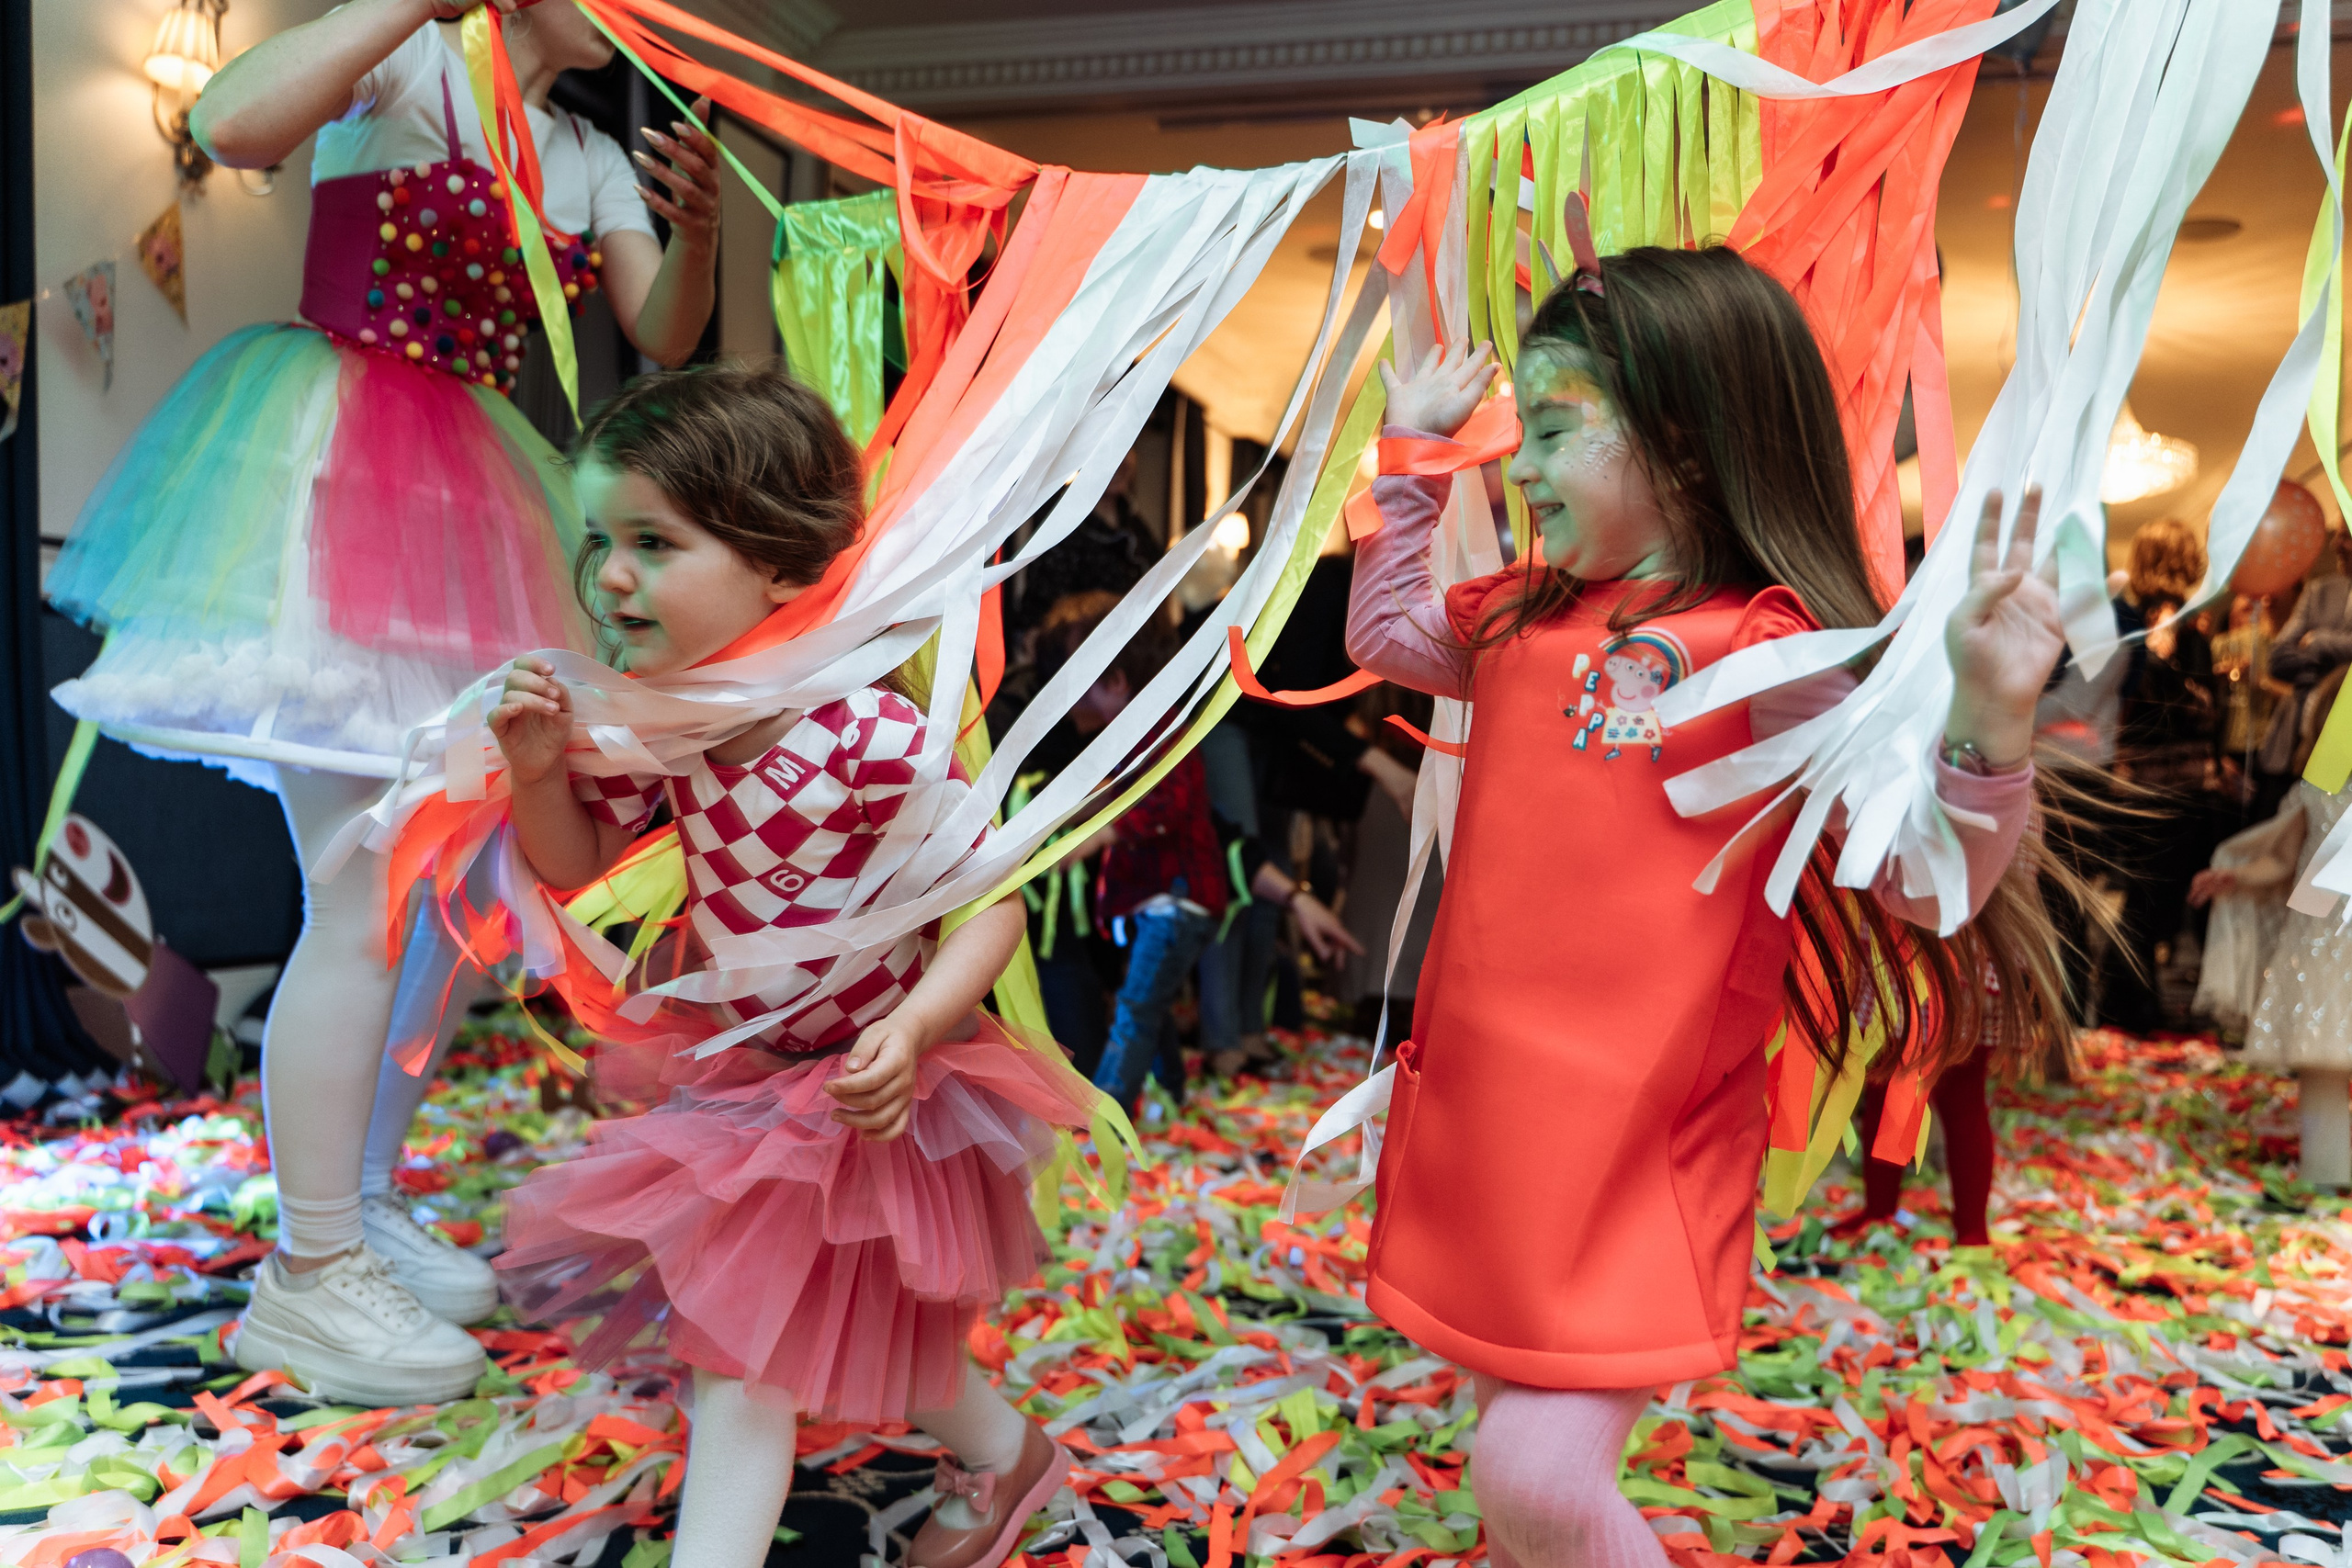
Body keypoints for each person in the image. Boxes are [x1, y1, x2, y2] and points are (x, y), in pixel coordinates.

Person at [40, 0, 724, 1400]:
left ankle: (356, 1203)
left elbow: (663, 323)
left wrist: (700, 229)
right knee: (361, 898)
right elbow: (230, 122)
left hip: (473, 506)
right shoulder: (409, 63)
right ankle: (309, 1273)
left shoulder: (583, 154)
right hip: (333, 480)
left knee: (462, 904)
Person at [1344, 248, 2062, 1567]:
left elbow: (1917, 875)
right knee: (1517, 1473)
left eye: (1553, 431)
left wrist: (1990, 725)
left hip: (1636, 1153)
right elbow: (1385, 631)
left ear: (1681, 442)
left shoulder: (1763, 652)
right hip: (1492, 1129)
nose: (1525, 468)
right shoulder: (1514, 618)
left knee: (1534, 1472)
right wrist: (1411, 452)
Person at [481, 367, 1091, 1568]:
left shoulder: (868, 735)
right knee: (812, 1345)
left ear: (779, 565)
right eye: (603, 539)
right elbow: (585, 868)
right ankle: (1014, 1454)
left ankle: (1000, 1456)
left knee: (752, 1359)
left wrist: (914, 1030)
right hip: (750, 1086)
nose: (608, 576)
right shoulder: (670, 720)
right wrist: (540, 770)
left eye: (652, 542)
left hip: (877, 1089)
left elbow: (989, 911)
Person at [1041, 604, 1360, 1117]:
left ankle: (1104, 1117)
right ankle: (1169, 1092)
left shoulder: (1160, 734)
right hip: (1159, 901)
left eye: (1082, 679)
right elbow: (1125, 796)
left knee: (1135, 1009)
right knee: (1147, 1003)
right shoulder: (1128, 741)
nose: (1071, 694)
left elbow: (1166, 806)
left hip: (1180, 901)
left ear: (1118, 681)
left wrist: (1100, 836)